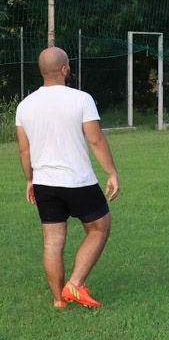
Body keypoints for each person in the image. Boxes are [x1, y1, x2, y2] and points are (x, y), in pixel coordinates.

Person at [16, 47, 119, 309]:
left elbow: (24, 149)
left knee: (52, 241)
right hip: (78, 182)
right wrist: (111, 173)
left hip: (44, 183)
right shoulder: (81, 99)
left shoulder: (24, 106)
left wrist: (30, 180)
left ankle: (58, 300)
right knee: (99, 228)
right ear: (64, 69)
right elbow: (95, 140)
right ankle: (75, 283)